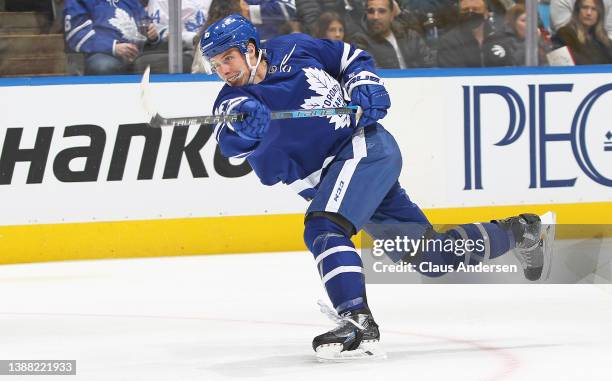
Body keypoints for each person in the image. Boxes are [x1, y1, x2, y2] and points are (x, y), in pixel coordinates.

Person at [200, 14, 555, 361]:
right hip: (338, 180)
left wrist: (364, 85)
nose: (224, 71)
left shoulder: (295, 48)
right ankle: (520, 230)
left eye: (228, 58)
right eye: (216, 65)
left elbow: (351, 58)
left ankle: (357, 319)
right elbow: (231, 143)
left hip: (362, 148)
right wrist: (247, 128)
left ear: (250, 49)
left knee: (324, 227)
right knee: (431, 257)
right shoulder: (232, 103)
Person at [64, 0, 159, 75]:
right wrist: (113, 47)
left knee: (163, 63)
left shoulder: (131, 1)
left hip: (137, 54)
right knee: (104, 66)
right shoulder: (79, 1)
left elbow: (145, 23)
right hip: (102, 54)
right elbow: (76, 35)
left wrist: (152, 35)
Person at [352, 0, 434, 68]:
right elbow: (372, 72)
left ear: (392, 15)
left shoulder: (410, 36)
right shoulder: (360, 41)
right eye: (371, 11)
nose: (375, 17)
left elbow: (430, 66)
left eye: (382, 11)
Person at [436, 0, 514, 67]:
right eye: (465, 10)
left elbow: (511, 69)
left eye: (476, 9)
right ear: (460, 13)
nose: (470, 12)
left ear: (486, 13)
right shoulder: (449, 42)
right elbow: (453, 76)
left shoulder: (499, 38)